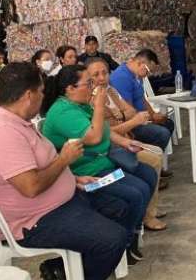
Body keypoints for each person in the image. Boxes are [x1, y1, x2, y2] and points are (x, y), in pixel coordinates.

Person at [0, 62, 128, 280]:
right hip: (33, 221)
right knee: (113, 239)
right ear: (29, 94)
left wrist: (71, 178)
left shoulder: (18, 122)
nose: (44, 96)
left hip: (59, 202)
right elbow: (30, 186)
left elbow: (39, 165)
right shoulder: (2, 132)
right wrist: (64, 160)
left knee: (119, 206)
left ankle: (64, 270)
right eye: (41, 92)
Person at [41, 65, 152, 263]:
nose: (93, 87)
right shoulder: (62, 112)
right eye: (88, 83)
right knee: (136, 193)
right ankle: (124, 243)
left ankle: (132, 233)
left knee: (148, 177)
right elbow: (93, 136)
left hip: (102, 164)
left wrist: (126, 142)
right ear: (70, 88)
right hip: (84, 174)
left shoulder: (80, 105)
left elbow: (105, 130)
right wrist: (100, 105)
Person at [86, 58, 167, 230]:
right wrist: (130, 120)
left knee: (157, 150)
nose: (101, 78)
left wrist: (122, 117)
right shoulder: (92, 100)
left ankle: (149, 208)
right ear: (88, 78)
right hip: (111, 147)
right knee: (153, 158)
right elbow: (106, 132)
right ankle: (148, 214)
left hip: (124, 138)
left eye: (104, 73)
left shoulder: (110, 91)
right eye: (96, 74)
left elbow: (129, 111)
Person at [109, 49, 175, 179]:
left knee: (167, 123)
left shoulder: (136, 75)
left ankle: (155, 164)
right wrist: (148, 118)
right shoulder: (122, 77)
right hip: (130, 124)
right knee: (161, 133)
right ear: (140, 63)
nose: (147, 75)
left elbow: (142, 98)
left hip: (141, 117)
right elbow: (128, 112)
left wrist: (153, 114)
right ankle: (150, 167)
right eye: (148, 70)